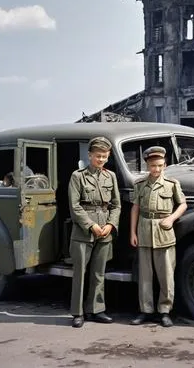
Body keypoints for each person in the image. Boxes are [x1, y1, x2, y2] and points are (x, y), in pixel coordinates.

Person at [130, 146, 187, 327]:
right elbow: (135, 208)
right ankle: (145, 311)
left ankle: (165, 311)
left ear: (165, 165)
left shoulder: (172, 184)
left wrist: (171, 218)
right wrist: (132, 232)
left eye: (160, 166)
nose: (156, 169)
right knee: (145, 275)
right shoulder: (140, 185)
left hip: (164, 231)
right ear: (148, 165)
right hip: (145, 230)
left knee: (166, 275)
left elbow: (183, 204)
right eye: (153, 166)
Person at [68, 136, 121, 328]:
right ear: (89, 155)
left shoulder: (111, 177)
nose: (101, 160)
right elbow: (74, 206)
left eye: (105, 157)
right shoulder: (77, 176)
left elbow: (116, 205)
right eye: (98, 156)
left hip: (105, 230)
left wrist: (110, 225)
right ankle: (78, 312)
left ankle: (96, 309)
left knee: (99, 273)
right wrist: (91, 225)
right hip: (83, 232)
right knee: (80, 273)